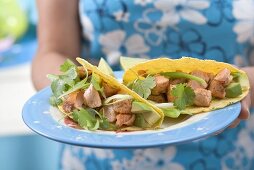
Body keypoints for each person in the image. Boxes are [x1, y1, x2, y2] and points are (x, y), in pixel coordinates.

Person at [32, 0, 254, 169]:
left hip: (228, 152)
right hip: (99, 153)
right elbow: (51, 52)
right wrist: (78, 89)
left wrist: (247, 80)